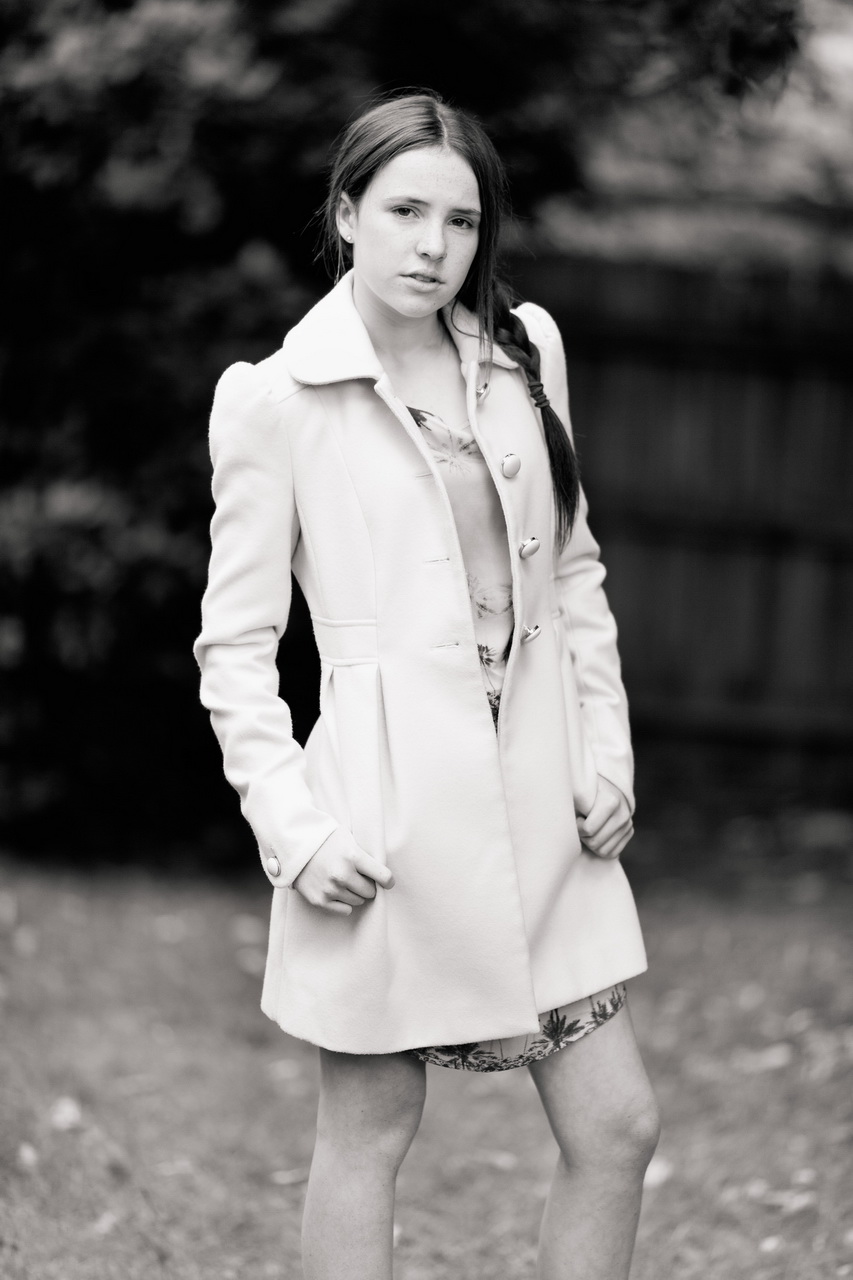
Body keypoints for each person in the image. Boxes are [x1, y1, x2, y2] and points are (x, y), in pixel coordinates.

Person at [193, 89, 660, 1280]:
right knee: (369, 1131)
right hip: (382, 823)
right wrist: (294, 828)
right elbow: (234, 648)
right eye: (404, 211)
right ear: (347, 213)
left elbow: (572, 568)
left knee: (616, 1126)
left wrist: (606, 753)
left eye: (460, 220)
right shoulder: (274, 399)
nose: (432, 245)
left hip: (544, 804)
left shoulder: (525, 352)